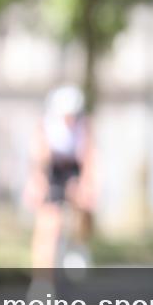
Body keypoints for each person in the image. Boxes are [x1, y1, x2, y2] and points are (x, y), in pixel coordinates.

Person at [24, 85, 97, 270]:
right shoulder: (46, 126)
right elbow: (38, 161)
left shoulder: (83, 125)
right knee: (48, 221)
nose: (70, 120)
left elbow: (89, 156)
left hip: (73, 168)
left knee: (84, 207)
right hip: (51, 169)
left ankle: (79, 246)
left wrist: (87, 185)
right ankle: (42, 277)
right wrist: (37, 184)